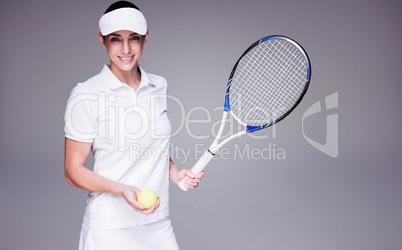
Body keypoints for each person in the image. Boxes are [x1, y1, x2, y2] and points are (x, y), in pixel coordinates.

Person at [64, 1, 205, 249]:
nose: (126, 48)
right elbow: (72, 171)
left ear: (145, 38)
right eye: (116, 39)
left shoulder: (158, 86)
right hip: (109, 228)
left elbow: (151, 146)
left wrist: (175, 173)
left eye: (135, 38)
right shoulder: (85, 94)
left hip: (157, 224)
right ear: (102, 40)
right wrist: (121, 189)